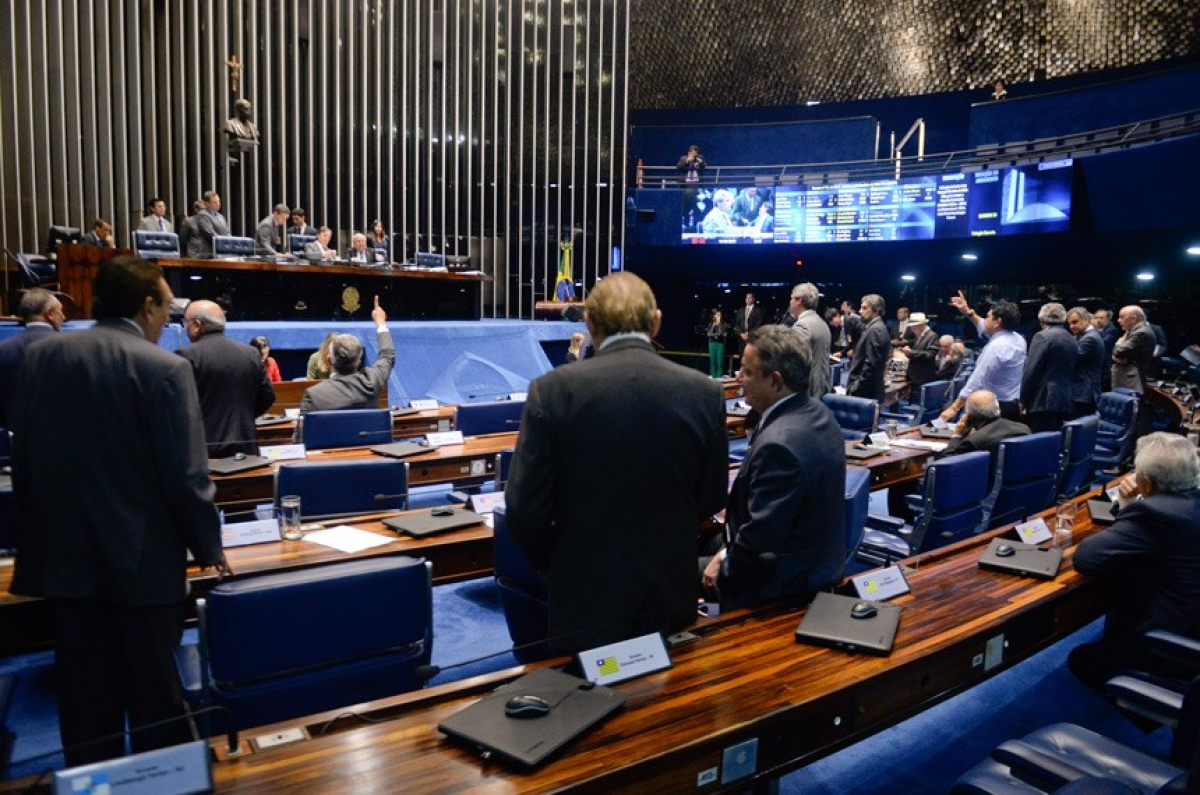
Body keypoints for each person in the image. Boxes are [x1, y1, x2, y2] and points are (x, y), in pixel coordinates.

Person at [10, 255, 228, 767]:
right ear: (148, 305)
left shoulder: (42, 358)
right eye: (165, 306)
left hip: (64, 561)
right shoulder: (165, 368)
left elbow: (24, 458)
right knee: (155, 700)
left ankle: (92, 786)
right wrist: (209, 547)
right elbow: (187, 476)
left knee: (85, 706)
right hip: (142, 564)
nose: (168, 318)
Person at [505, 272, 727, 654]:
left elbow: (524, 510)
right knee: (670, 703)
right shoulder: (704, 392)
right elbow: (711, 497)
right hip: (669, 588)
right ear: (656, 321)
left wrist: (557, 563)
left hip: (584, 593)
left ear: (589, 322)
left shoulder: (552, 391)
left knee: (587, 701)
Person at [701, 326, 844, 608]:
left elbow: (759, 545)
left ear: (776, 382)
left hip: (780, 585)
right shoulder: (820, 413)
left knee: (670, 573)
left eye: (747, 372)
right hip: (812, 559)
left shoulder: (778, 446)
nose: (739, 379)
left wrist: (722, 567)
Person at [1068, 432, 1200, 690]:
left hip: (1167, 647)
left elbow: (1087, 558)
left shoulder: (1155, 513)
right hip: (1193, 626)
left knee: (1081, 659)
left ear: (1146, 484)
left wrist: (1127, 503)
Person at [178, 300, 276, 458]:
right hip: (246, 448)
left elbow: (180, 408)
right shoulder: (250, 353)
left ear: (197, 324)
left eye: (186, 323)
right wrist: (244, 417)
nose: (185, 328)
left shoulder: (187, 356)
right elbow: (268, 396)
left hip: (205, 452)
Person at [940, 292, 1026, 423]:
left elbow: (977, 380)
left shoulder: (997, 347)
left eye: (988, 317)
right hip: (1011, 405)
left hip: (994, 409)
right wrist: (967, 311)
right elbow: (984, 326)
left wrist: (954, 407)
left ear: (997, 322)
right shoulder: (1018, 339)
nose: (985, 320)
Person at [300, 296, 394, 412]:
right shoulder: (371, 383)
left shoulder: (314, 396)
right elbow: (387, 355)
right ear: (359, 362)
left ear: (329, 361)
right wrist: (381, 323)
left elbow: (303, 430)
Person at [0, 288, 64, 426]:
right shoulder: (69, 348)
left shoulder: (3, 349)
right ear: (50, 314)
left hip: (16, 436)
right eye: (60, 310)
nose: (63, 317)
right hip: (60, 434)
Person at [1020, 302, 1077, 433]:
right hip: (1065, 398)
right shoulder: (1072, 338)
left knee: (1039, 442)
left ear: (1041, 319)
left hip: (1043, 400)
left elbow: (1031, 370)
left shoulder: (1042, 336)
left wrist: (1023, 401)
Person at [940, 390, 1031, 459]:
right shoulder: (1023, 429)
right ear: (997, 408)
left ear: (970, 416)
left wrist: (957, 436)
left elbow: (948, 462)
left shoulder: (974, 442)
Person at [789, 282, 831, 398]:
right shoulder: (822, 323)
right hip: (822, 387)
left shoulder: (802, 325)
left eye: (791, 298)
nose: (790, 302)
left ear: (799, 301)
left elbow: (792, 361)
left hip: (807, 392)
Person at [846, 294, 890, 402]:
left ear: (876, 310)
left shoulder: (875, 329)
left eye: (865, 308)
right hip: (871, 390)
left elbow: (871, 365)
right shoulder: (879, 326)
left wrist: (856, 387)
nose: (860, 311)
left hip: (866, 393)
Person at [1066, 306, 1104, 418]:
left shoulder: (1089, 338)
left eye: (1075, 322)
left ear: (1087, 320)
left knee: (1078, 428)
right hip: (1082, 390)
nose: (1071, 326)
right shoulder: (1084, 336)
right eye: (1069, 323)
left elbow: (1071, 360)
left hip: (1084, 392)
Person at [1111, 304, 1156, 393]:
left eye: (1122, 317)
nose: (1118, 320)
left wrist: (1118, 343)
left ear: (1134, 319)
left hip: (1131, 379)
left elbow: (1118, 352)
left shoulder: (1141, 333)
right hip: (1128, 377)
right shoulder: (1133, 331)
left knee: (1129, 404)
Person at [898, 312, 939, 386]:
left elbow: (930, 354)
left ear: (921, 325)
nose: (911, 329)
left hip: (923, 378)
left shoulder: (932, 336)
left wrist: (911, 353)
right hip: (914, 378)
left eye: (913, 327)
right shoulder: (919, 336)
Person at [190, 190, 231, 258]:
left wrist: (230, 242)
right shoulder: (203, 215)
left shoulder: (221, 216)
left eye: (219, 201)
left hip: (223, 253)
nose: (218, 204)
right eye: (215, 202)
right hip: (209, 254)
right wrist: (225, 243)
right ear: (207, 203)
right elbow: (211, 234)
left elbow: (227, 232)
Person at [734, 291, 764, 370]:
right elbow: (736, 325)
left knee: (751, 358)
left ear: (753, 299)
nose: (747, 299)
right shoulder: (740, 310)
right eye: (746, 298)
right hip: (741, 339)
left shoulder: (758, 311)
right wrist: (741, 334)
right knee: (742, 357)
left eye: (749, 297)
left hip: (752, 339)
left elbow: (759, 325)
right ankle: (741, 375)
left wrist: (749, 334)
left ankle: (751, 375)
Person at [1093, 308, 1120, 390]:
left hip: (1106, 363)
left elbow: (1103, 343)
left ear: (1108, 319)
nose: (1098, 320)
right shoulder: (1098, 329)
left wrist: (1095, 330)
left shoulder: (1112, 330)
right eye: (1096, 317)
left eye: (1101, 318)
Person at [705, 309, 729, 379]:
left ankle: (719, 377)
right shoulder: (711, 323)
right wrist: (715, 332)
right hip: (712, 343)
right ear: (714, 316)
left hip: (720, 344)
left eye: (720, 315)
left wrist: (718, 324)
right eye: (717, 315)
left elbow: (721, 333)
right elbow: (708, 333)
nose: (719, 316)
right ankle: (713, 376)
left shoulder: (724, 324)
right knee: (713, 361)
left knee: (720, 362)